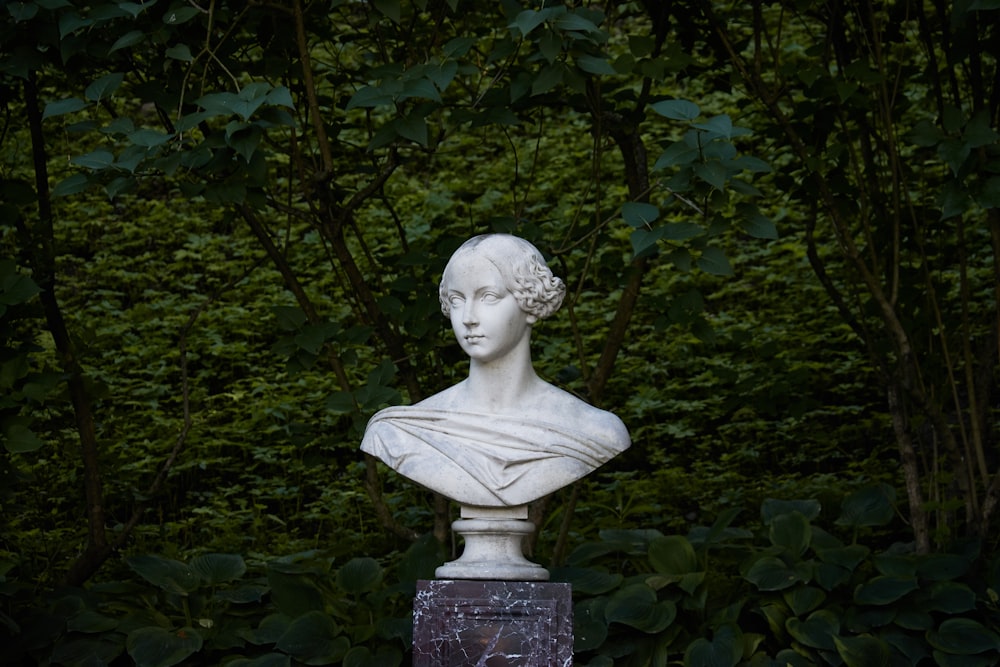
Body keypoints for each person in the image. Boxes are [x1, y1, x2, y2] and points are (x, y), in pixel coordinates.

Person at [360, 234, 630, 507]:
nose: (468, 318)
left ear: (531, 302)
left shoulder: (596, 431)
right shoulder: (399, 432)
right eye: (456, 300)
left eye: (488, 296)